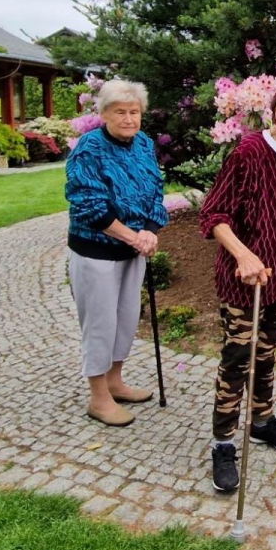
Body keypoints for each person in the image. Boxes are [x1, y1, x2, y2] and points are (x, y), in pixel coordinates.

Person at [199, 78, 276, 494]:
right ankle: (222, 443)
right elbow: (214, 214)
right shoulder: (249, 153)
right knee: (238, 358)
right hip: (245, 280)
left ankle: (262, 420)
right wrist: (243, 254)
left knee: (267, 353)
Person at [64, 78, 170, 427]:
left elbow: (156, 188)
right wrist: (132, 236)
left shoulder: (143, 144)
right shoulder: (88, 148)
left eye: (135, 112)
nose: (129, 118)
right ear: (104, 114)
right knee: (100, 323)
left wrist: (151, 231)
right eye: (120, 112)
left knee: (125, 318)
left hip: (133, 249)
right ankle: (98, 398)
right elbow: (88, 203)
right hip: (96, 251)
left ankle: (115, 381)